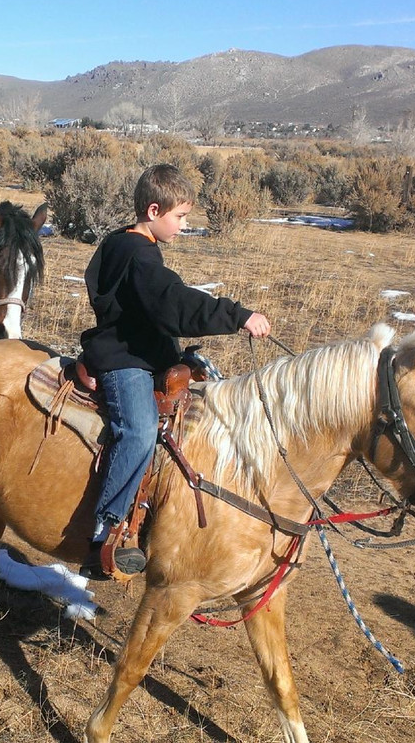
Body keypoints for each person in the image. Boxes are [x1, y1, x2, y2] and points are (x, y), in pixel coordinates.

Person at [78, 163, 271, 579]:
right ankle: (105, 530)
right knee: (141, 429)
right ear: (153, 210)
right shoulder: (135, 254)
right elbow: (172, 304)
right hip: (124, 361)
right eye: (179, 216)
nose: (184, 225)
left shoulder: (129, 247)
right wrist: (236, 315)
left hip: (144, 351)